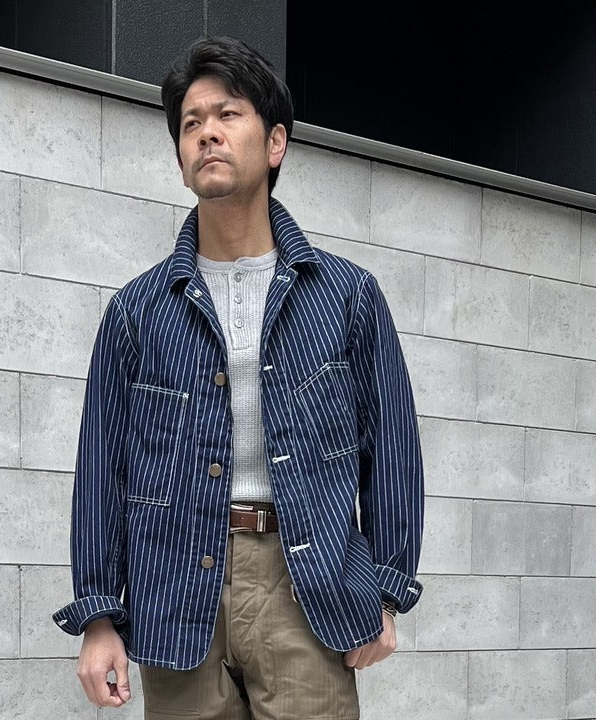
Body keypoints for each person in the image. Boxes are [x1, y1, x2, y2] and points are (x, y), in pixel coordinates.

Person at [53, 35, 425, 720]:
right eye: (191, 123)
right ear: (180, 160)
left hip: (306, 584)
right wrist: (99, 617)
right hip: (176, 589)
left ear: (275, 142)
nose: (207, 133)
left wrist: (386, 589)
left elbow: (393, 448)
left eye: (227, 114)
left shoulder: (347, 296)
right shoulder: (137, 311)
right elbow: (102, 467)